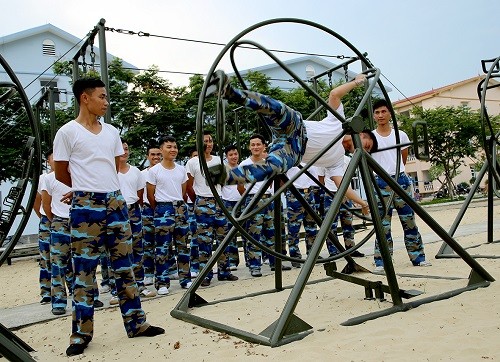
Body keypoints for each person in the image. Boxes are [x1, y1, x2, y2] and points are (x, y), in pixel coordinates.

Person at [53, 78, 164, 357]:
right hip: (85, 206)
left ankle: (136, 323)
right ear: (84, 98)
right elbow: (61, 173)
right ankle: (81, 334)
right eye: (102, 97)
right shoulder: (66, 133)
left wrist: (100, 188)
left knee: (125, 266)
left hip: (114, 202)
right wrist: (83, 189)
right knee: (85, 272)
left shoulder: (112, 132)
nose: (106, 102)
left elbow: (113, 167)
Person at [207, 70, 372, 213]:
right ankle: (229, 92)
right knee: (276, 108)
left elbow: (343, 185)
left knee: (272, 167)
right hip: (297, 127)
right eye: (368, 144)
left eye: (368, 150)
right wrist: (355, 82)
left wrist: (362, 203)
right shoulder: (338, 121)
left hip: (293, 150)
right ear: (363, 134)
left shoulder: (337, 160)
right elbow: (335, 94)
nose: (364, 149)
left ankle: (225, 176)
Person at [370, 99, 431, 273]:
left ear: (390, 113)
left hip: (400, 180)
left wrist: (397, 173)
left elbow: (403, 157)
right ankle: (381, 261)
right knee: (383, 225)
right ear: (374, 116)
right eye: (377, 113)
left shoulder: (400, 135)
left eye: (383, 112)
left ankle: (418, 257)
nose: (381, 115)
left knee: (409, 221)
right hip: (380, 182)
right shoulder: (371, 136)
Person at [185, 131, 238, 287]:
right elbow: (189, 186)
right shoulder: (193, 162)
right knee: (204, 241)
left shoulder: (217, 160)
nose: (208, 144)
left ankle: (224, 271)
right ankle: (206, 274)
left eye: (210, 141)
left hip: (219, 202)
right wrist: (199, 201)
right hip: (203, 203)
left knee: (223, 238)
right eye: (205, 141)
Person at [239, 134, 291, 277]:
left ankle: (275, 263)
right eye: (252, 145)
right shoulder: (244, 164)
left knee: (272, 234)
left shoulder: (270, 163)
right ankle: (255, 266)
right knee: (254, 234)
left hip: (270, 200)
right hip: (253, 200)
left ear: (264, 146)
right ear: (249, 147)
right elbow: (240, 188)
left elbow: (280, 182)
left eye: (258, 144)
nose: (255, 147)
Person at [146, 136, 192, 294]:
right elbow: (150, 195)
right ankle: (162, 282)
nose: (173, 150)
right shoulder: (154, 171)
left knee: (183, 246)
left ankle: (185, 279)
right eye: (169, 147)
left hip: (179, 208)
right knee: (162, 248)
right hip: (162, 209)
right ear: (161, 150)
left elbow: (183, 192)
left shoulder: (181, 169)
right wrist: (160, 209)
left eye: (175, 146)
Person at [113, 139, 156, 303]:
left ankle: (140, 285)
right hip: (116, 211)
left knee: (137, 249)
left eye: (126, 148)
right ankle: (118, 290)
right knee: (117, 251)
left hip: (133, 211)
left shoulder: (136, 172)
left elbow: (139, 194)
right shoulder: (110, 171)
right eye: (121, 149)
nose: (124, 151)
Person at [41, 150, 74, 315]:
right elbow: (46, 204)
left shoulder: (77, 174)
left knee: (81, 262)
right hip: (59, 223)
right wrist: (56, 219)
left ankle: (84, 297)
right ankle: (59, 302)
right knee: (58, 264)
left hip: (78, 221)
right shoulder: (48, 179)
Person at [285, 164, 320, 267]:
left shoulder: (309, 158)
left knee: (312, 226)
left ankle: (312, 253)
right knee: (294, 228)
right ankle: (294, 256)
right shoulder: (291, 158)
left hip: (309, 192)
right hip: (294, 193)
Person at [141, 145, 162, 286]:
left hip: (163, 209)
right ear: (147, 156)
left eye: (158, 154)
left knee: (164, 242)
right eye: (152, 154)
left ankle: (169, 269)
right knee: (147, 243)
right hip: (148, 209)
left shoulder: (165, 170)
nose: (155, 157)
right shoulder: (141, 174)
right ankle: (148, 273)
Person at [33, 159, 51, 305]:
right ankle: (46, 292)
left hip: (66, 219)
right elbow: (37, 201)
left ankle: (71, 288)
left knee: (69, 257)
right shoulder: (43, 178)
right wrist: (44, 216)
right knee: (46, 258)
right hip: (47, 220)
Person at [221, 145, 241, 270]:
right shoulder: (223, 171)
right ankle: (232, 260)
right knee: (230, 233)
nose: (234, 157)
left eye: (235, 154)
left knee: (247, 231)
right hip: (228, 203)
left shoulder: (243, 167)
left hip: (243, 202)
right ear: (226, 157)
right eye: (231, 155)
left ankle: (253, 261)